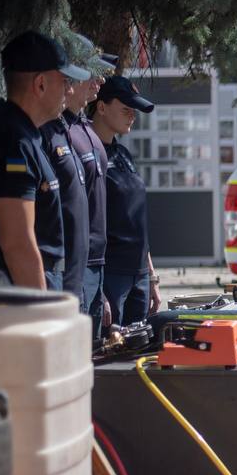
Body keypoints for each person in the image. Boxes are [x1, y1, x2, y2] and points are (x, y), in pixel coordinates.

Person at [0, 31, 85, 289]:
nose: (70, 89)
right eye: (65, 80)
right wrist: (41, 311)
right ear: (41, 84)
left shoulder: (25, 135)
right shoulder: (13, 141)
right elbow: (17, 243)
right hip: (25, 292)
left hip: (40, 281)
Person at [40, 40, 111, 302]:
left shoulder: (76, 128)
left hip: (89, 263)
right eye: (90, 74)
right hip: (61, 269)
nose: (100, 81)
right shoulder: (49, 131)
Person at [91, 75, 159, 326]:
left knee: (135, 357)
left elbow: (136, 220)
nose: (132, 115)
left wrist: (151, 276)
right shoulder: (86, 153)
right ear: (101, 107)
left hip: (138, 275)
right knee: (109, 356)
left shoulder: (123, 154)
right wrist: (96, 289)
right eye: (126, 109)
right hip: (110, 275)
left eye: (135, 110)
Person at [69, 53, 116, 338]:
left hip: (98, 263)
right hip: (77, 264)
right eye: (92, 73)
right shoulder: (60, 132)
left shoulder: (86, 129)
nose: (99, 80)